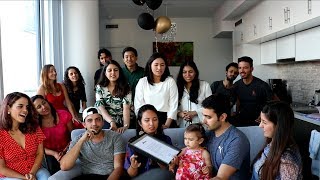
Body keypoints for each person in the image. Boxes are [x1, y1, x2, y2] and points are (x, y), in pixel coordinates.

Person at [60, 106, 126, 180]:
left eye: (98, 119)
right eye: (89, 120)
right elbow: (64, 166)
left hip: (110, 176)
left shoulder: (115, 137)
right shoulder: (78, 139)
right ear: (84, 124)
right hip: (89, 176)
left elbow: (118, 168)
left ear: (103, 122)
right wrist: (81, 141)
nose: (94, 124)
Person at [0, 92, 50, 180]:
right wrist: (24, 177)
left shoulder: (34, 128)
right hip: (11, 176)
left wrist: (32, 173)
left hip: (35, 170)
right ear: (8, 108)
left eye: (27, 107)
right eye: (20, 106)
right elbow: (1, 168)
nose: (25, 110)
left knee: (46, 177)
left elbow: (40, 153)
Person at [202, 94, 250, 180]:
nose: (204, 121)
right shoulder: (208, 134)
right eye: (204, 116)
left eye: (208, 117)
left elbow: (220, 178)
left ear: (222, 117)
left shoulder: (237, 140)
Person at [251, 101, 302, 180]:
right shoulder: (272, 143)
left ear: (278, 126)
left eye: (264, 122)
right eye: (260, 121)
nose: (260, 126)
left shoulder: (287, 161)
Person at [124, 104, 173, 178]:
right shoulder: (133, 142)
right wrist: (133, 166)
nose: (151, 124)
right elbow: (131, 174)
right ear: (140, 123)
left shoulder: (166, 140)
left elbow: (169, 171)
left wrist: (160, 159)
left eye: (155, 119)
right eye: (147, 120)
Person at [31, 95, 73, 175]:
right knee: (54, 172)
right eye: (39, 107)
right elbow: (38, 147)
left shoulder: (64, 114)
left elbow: (73, 136)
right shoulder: (35, 125)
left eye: (44, 103)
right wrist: (54, 153)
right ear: (35, 111)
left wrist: (67, 149)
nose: (44, 107)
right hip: (48, 153)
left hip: (68, 148)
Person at [135, 52, 178, 128]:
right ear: (150, 65)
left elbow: (173, 105)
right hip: (147, 120)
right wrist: (144, 123)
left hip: (166, 120)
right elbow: (138, 105)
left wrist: (167, 124)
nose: (159, 68)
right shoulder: (142, 82)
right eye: (156, 65)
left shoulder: (170, 81)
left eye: (162, 65)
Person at [234, 56, 273, 126]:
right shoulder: (236, 85)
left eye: (245, 68)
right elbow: (236, 103)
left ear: (252, 69)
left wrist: (264, 115)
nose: (242, 70)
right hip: (241, 123)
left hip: (259, 124)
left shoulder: (262, 85)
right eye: (240, 68)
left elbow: (273, 104)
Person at [95, 60, 132, 133]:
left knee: (126, 134)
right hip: (106, 119)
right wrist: (111, 122)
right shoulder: (100, 87)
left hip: (123, 118)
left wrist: (125, 126)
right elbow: (101, 108)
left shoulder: (126, 87)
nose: (113, 73)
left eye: (115, 70)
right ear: (105, 73)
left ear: (119, 72)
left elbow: (126, 108)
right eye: (109, 70)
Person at [176, 61, 212, 127]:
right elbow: (172, 106)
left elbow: (210, 106)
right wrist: (180, 113)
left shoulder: (204, 85)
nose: (187, 75)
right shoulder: (177, 87)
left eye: (190, 72)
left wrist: (195, 113)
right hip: (183, 125)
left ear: (195, 72)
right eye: (184, 72)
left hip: (202, 124)